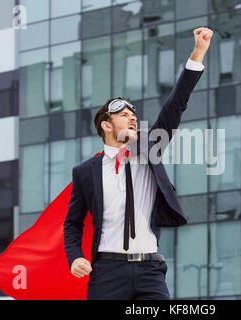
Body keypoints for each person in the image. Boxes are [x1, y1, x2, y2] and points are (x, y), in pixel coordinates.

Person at [63, 27, 213, 300]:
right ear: (106, 126)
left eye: (133, 113)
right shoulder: (85, 172)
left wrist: (197, 54)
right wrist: (74, 258)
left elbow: (175, 105)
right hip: (106, 272)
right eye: (123, 114)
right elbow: (72, 224)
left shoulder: (150, 150)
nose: (132, 117)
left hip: (150, 271)